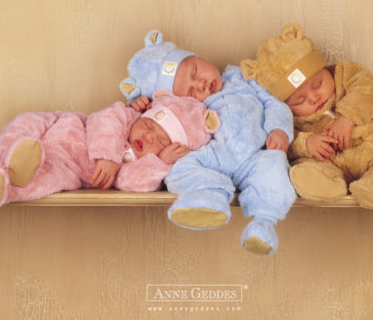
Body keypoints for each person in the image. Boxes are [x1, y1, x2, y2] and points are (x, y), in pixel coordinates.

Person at [120, 30, 296, 256]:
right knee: (179, 170)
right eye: (192, 91)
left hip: (256, 154)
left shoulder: (243, 77)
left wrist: (279, 129)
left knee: (274, 167)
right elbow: (156, 119)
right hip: (215, 157)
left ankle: (263, 224)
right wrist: (137, 103)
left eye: (195, 71)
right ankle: (208, 198)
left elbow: (275, 104)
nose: (202, 84)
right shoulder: (193, 111)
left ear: (196, 56)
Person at [240, 23, 373, 212]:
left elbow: (368, 89)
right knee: (304, 166)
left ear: (325, 70)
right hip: (331, 165)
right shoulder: (285, 118)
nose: (314, 98)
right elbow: (283, 142)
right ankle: (325, 184)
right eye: (300, 101)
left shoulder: (345, 75)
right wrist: (307, 143)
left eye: (318, 84)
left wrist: (347, 118)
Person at [0, 90, 218, 213]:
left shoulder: (135, 166)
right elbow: (103, 120)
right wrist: (108, 157)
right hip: (60, 127)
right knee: (24, 125)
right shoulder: (126, 116)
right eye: (150, 125)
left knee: (45, 182)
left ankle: (1, 186)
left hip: (69, 168)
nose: (150, 137)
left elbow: (131, 183)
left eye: (161, 143)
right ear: (143, 116)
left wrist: (159, 163)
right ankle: (10, 157)